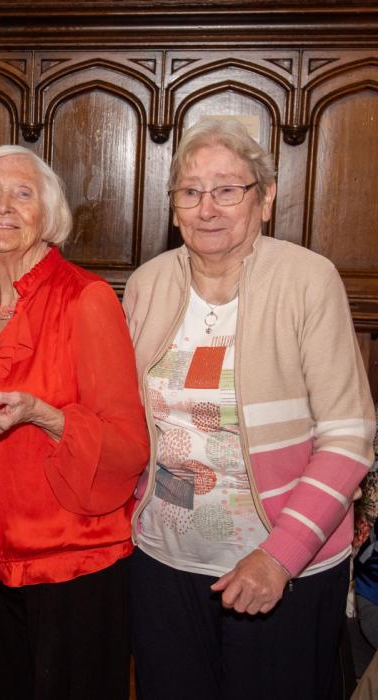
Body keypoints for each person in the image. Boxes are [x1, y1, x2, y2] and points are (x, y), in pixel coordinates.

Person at [124, 118, 376, 699]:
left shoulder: (309, 280)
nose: (207, 207)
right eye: (190, 192)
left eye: (227, 189)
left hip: (281, 564)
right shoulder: (147, 283)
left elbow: (348, 435)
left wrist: (280, 557)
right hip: (164, 559)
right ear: (174, 208)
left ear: (264, 200)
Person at [0, 145, 150, 699]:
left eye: (22, 193)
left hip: (69, 567)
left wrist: (46, 417)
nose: (3, 206)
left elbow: (127, 443)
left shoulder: (86, 299)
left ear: (49, 216)